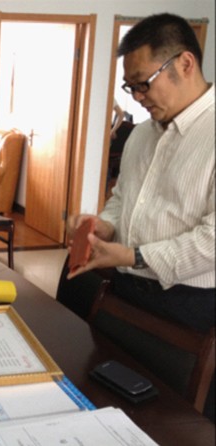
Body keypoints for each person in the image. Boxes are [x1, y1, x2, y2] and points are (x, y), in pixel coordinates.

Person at [67, 13, 214, 332]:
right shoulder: (143, 133)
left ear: (185, 64)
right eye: (130, 87)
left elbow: (212, 240)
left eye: (143, 83)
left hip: (189, 304)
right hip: (125, 289)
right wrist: (106, 226)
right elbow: (123, 197)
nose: (136, 97)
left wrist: (134, 256)